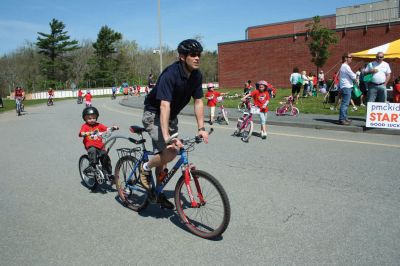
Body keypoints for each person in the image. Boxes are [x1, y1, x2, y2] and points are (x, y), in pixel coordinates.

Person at [141, 39, 209, 209]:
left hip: (171, 117)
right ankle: (145, 167)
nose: (197, 58)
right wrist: (167, 137)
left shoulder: (196, 75)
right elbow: (164, 105)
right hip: (154, 114)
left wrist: (201, 128)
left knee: (164, 157)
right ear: (182, 57)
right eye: (193, 55)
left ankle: (158, 191)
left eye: (199, 55)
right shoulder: (170, 74)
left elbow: (198, 102)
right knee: (170, 152)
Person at [79, 106, 118, 184]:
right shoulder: (85, 126)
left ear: (96, 117)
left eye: (94, 118)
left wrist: (113, 128)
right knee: (92, 150)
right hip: (90, 145)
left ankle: (108, 174)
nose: (92, 120)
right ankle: (92, 166)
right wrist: (84, 133)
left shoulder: (99, 125)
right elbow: (81, 133)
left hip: (100, 146)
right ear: (85, 119)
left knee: (105, 157)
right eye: (89, 118)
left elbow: (106, 129)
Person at [338, 53, 356, 125]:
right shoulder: (346, 66)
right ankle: (342, 119)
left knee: (345, 103)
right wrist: (356, 76)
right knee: (345, 104)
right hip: (346, 87)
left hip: (345, 86)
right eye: (350, 57)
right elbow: (353, 76)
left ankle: (345, 118)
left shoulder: (343, 66)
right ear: (345, 58)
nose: (351, 58)